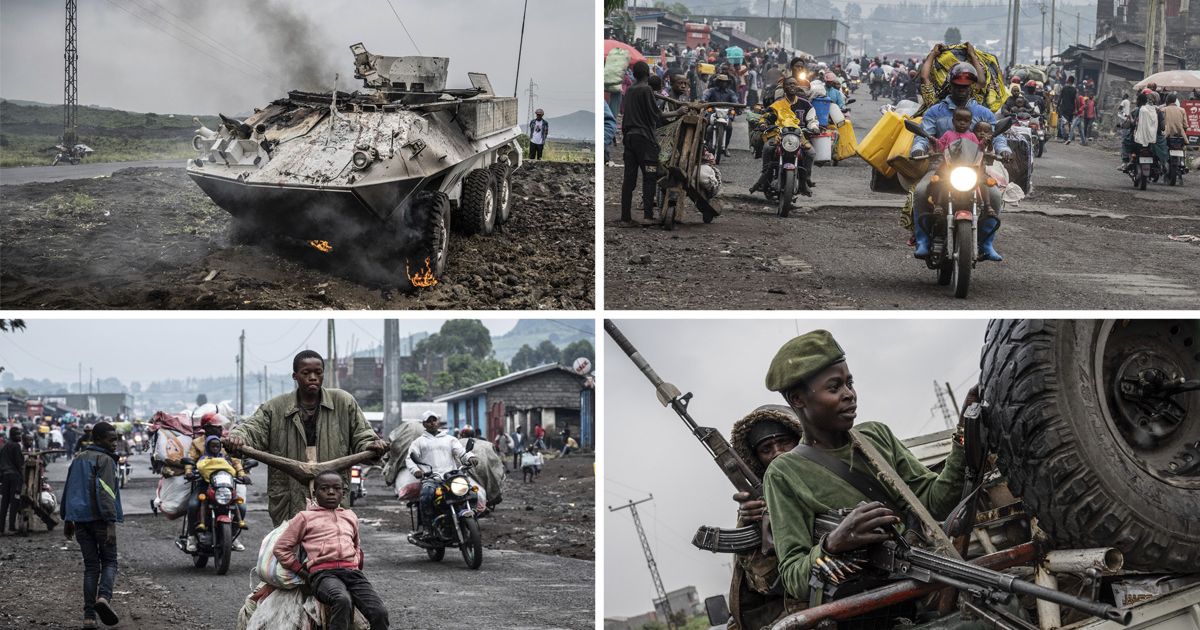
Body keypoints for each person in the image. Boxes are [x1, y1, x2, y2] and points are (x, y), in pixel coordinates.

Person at [760, 331, 972, 623]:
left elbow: (935, 502)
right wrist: (833, 543)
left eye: (849, 383)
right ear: (798, 399)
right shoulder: (784, 473)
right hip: (867, 612)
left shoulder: (876, 437)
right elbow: (794, 575)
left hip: (924, 586)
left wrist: (963, 435)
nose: (849, 393)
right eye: (834, 387)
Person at [226, 350, 387, 527]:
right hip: (289, 494)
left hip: (331, 493)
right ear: (295, 376)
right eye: (306, 373)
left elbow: (362, 435)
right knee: (286, 549)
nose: (312, 377)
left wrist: (372, 444)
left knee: (337, 546)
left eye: (318, 373)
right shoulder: (275, 408)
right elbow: (251, 430)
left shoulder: (343, 402)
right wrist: (237, 438)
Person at [910, 63, 1011, 262]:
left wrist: (1004, 150)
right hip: (941, 167)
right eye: (957, 86)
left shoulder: (984, 113)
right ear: (950, 85)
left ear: (972, 87)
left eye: (965, 87)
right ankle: (923, 241)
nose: (961, 90)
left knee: (995, 196)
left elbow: (997, 137)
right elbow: (923, 136)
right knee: (921, 191)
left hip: (975, 169)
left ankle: (986, 242)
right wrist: (918, 148)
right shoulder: (935, 112)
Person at [273, 470, 389, 630]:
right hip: (323, 574)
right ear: (315, 493)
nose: (331, 492)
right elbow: (281, 548)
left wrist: (355, 563)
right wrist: (300, 571)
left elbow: (356, 545)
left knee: (379, 611)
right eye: (324, 488)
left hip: (353, 574)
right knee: (342, 600)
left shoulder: (350, 516)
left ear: (344, 492)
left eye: (336, 488)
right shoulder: (305, 517)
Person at [726, 406, 804, 630]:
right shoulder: (758, 506)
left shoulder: (830, 475)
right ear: (756, 459)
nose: (777, 452)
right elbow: (764, 583)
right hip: (791, 613)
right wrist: (757, 524)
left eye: (784, 441)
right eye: (766, 448)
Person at [62, 421, 123, 628]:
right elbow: (106, 493)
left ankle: (89, 617)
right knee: (110, 562)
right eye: (111, 439)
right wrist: (110, 523)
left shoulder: (78, 458)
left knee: (90, 567)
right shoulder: (105, 460)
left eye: (116, 439)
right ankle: (103, 597)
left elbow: (69, 488)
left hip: (80, 521)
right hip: (100, 520)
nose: (115, 444)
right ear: (97, 440)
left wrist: (67, 518)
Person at [619, 60, 686, 223]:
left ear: (634, 74)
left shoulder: (629, 91)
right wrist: (677, 111)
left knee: (629, 179)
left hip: (629, 138)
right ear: (647, 75)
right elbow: (657, 114)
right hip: (644, 139)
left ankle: (625, 217)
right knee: (649, 176)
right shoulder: (646, 89)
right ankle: (648, 216)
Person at [406, 411, 476, 539]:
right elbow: (410, 458)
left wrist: (470, 458)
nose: (432, 423)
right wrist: (416, 470)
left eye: (434, 420)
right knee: (426, 496)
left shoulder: (450, 439)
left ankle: (470, 522)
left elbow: (461, 452)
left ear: (438, 422)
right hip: (431, 478)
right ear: (424, 424)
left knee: (472, 493)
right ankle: (427, 528)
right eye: (429, 421)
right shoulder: (419, 442)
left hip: (451, 477)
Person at [750, 77, 818, 197]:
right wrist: (763, 123)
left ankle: (805, 180)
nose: (792, 86)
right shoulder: (777, 104)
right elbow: (767, 116)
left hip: (799, 136)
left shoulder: (806, 104)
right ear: (784, 88)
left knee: (811, 153)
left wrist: (814, 127)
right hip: (779, 135)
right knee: (767, 148)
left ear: (797, 87)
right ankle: (766, 176)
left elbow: (812, 120)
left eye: (794, 84)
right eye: (789, 84)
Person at [183, 435, 249, 553]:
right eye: (212, 446)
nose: (215, 448)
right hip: (204, 487)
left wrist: (242, 475)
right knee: (192, 505)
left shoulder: (226, 458)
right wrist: (190, 473)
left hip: (224, 489)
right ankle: (191, 537)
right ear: (207, 447)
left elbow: (235, 465)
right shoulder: (203, 459)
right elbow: (193, 464)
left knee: (242, 507)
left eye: (217, 446)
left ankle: (232, 537)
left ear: (220, 447)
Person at [0, 427, 23, 535]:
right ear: (12, 435)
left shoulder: (4, 447)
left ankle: (1, 528)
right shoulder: (16, 446)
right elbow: (19, 463)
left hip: (5, 476)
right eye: (17, 434)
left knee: (4, 502)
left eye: (20, 434)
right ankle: (12, 527)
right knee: (14, 501)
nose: (20, 436)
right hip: (14, 477)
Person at [1058, 76, 1078, 143]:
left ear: (1068, 80)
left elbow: (1060, 98)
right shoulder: (1074, 90)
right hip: (1071, 109)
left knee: (1064, 123)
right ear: (1073, 81)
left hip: (1064, 108)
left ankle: (1065, 137)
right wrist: (1076, 109)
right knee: (1069, 122)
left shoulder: (1064, 88)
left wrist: (1057, 106)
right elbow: (1076, 100)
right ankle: (1069, 137)